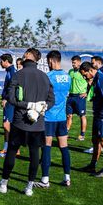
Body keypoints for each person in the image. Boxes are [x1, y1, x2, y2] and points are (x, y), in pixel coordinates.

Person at [0, 48, 54, 197]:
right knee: (34, 155)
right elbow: (52, 100)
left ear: (27, 56)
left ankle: (4, 184)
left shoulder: (19, 75)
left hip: (20, 122)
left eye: (25, 54)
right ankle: (29, 187)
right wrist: (40, 107)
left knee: (12, 153)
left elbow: (11, 99)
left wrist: (31, 106)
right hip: (38, 124)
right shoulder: (45, 77)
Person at [35, 51, 72, 188]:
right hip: (61, 117)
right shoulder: (67, 77)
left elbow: (42, 97)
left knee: (47, 148)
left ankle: (45, 179)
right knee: (64, 148)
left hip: (49, 117)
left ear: (51, 60)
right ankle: (67, 177)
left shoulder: (48, 76)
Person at [79, 62, 103, 178]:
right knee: (95, 140)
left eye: (85, 75)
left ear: (89, 70)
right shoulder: (95, 79)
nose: (84, 77)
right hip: (98, 114)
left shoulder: (101, 78)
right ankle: (92, 165)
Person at [0, 54, 18, 157]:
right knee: (7, 125)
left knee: (7, 125)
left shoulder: (12, 72)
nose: (0, 63)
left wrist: (6, 99)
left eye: (1, 61)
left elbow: (12, 89)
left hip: (10, 102)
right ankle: (7, 148)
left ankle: (12, 148)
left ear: (6, 61)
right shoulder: (9, 71)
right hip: (8, 102)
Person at [66, 55, 88, 141]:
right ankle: (66, 133)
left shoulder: (83, 71)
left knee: (82, 116)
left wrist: (87, 92)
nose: (73, 64)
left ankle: (82, 135)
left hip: (80, 97)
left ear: (79, 62)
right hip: (71, 96)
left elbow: (91, 82)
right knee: (68, 116)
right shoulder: (70, 71)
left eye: (74, 62)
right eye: (72, 62)